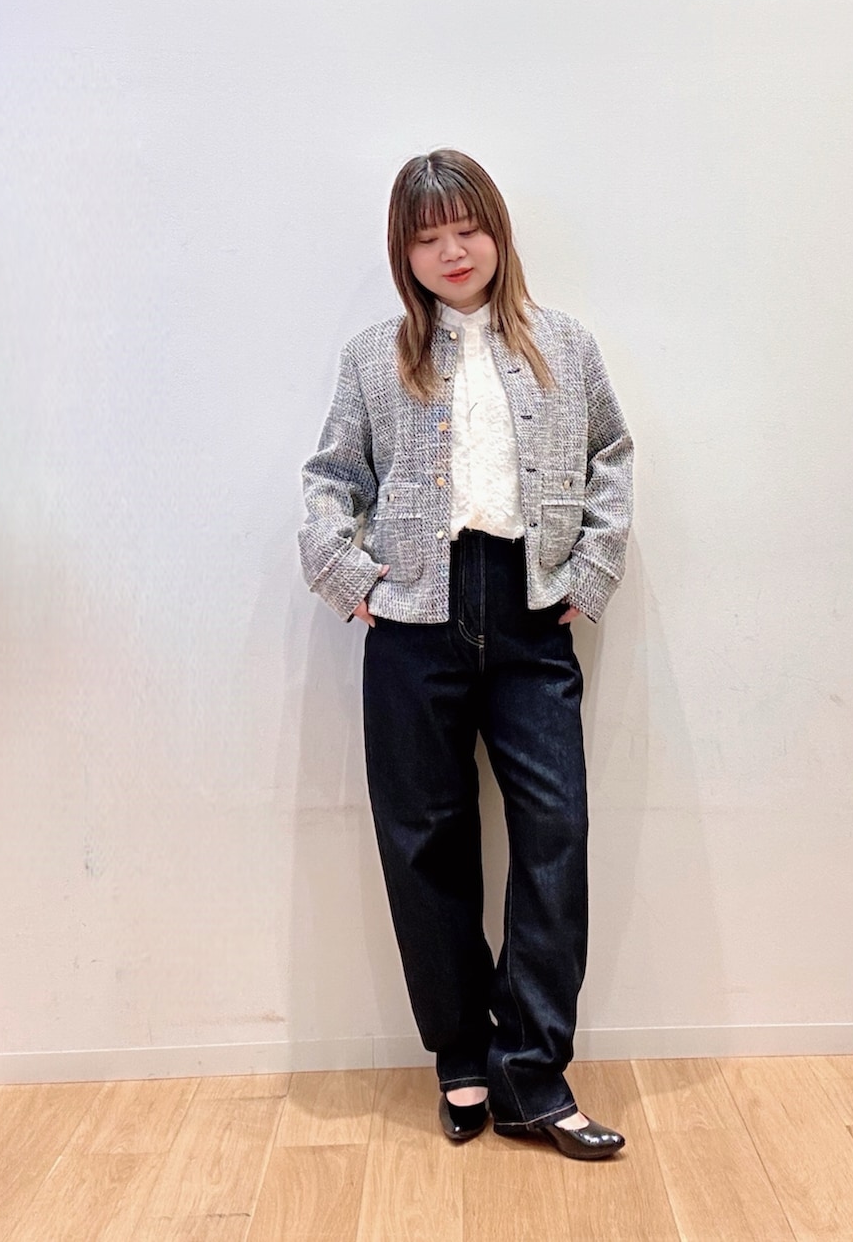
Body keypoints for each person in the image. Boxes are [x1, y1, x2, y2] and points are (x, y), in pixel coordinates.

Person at [298, 149, 633, 1160]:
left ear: (496, 231)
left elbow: (611, 459)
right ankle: (461, 1054)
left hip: (531, 615)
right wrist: (354, 581)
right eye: (428, 235)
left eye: (467, 227)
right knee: (425, 841)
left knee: (554, 833)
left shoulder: (563, 345)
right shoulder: (375, 358)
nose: (452, 250)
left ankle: (532, 1074)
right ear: (404, 252)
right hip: (415, 620)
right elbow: (330, 479)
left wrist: (588, 573)